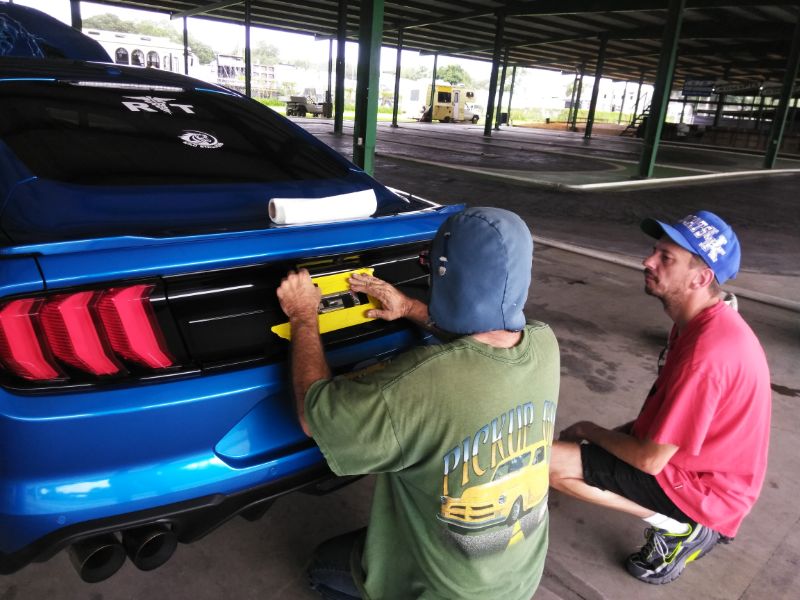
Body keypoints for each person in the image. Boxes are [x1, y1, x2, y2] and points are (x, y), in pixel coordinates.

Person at [276, 207, 560, 600]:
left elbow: (314, 414)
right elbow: (483, 338)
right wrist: (409, 307)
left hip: (443, 592)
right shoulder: (545, 344)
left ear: (446, 275)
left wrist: (303, 314)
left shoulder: (420, 382)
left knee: (322, 565)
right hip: (517, 581)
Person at [549, 210, 771, 585]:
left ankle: (683, 528)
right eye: (655, 251)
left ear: (701, 278)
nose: (647, 261)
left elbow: (650, 460)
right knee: (571, 454)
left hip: (708, 489)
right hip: (700, 465)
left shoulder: (707, 355)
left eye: (665, 258)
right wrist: (604, 438)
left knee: (547, 465)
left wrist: (589, 429)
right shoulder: (699, 325)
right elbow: (665, 419)